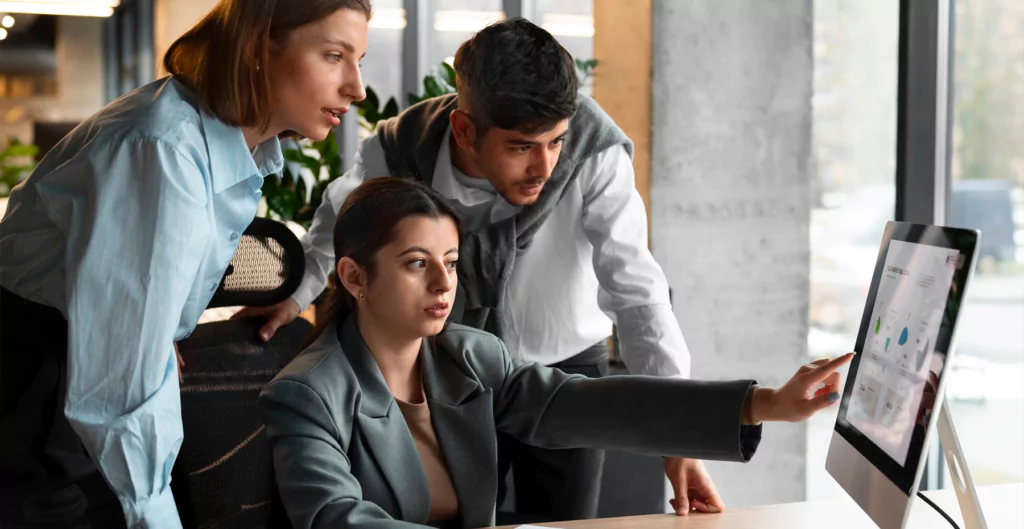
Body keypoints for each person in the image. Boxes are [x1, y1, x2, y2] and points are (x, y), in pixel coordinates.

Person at [235, 17, 712, 521]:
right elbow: (341, 224)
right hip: (451, 374)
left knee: (564, 523)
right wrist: (295, 296)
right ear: (464, 129)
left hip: (562, 368)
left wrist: (678, 435)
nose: (545, 169)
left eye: (556, 142)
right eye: (521, 146)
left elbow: (636, 291)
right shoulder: (401, 147)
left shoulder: (594, 150)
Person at [258, 177, 853, 529]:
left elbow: (591, 407)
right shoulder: (307, 394)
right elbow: (335, 520)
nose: (445, 286)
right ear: (355, 277)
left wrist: (767, 403)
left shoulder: (471, 358)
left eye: (451, 263)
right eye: (418, 265)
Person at [0, 1, 370, 526]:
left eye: (360, 61)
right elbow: (117, 385)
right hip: (37, 382)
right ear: (257, 51)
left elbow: (135, 300)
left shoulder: (226, 142)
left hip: (76, 366)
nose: (356, 87)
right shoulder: (164, 148)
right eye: (334, 55)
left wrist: (156, 330)